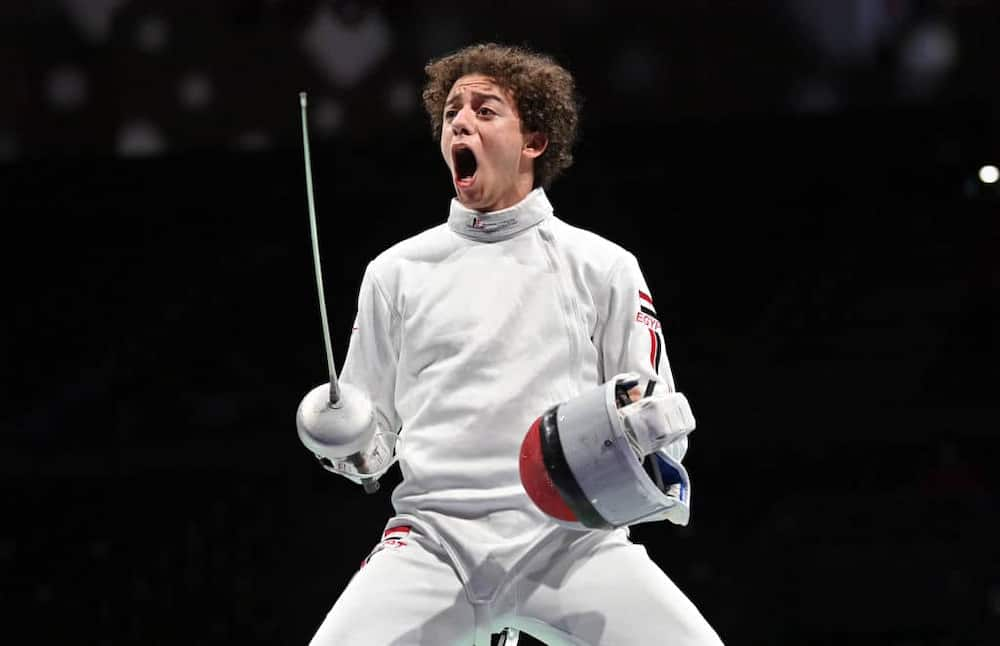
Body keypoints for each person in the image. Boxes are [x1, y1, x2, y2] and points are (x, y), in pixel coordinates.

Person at [298, 43, 723, 646]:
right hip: (432, 540)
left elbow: (663, 426)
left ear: (534, 143)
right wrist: (342, 436)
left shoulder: (603, 267)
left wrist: (646, 428)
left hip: (572, 543)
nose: (460, 121)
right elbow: (375, 448)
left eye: (485, 109)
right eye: (450, 113)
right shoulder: (395, 272)